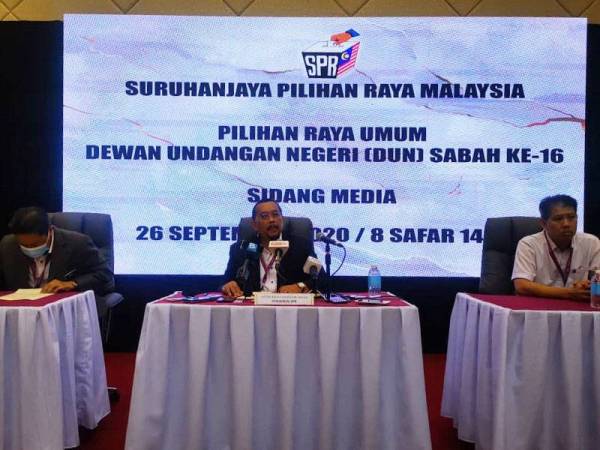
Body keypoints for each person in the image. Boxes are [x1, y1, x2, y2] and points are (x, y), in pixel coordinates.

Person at [0, 206, 114, 312]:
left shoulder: (78, 243)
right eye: (24, 245)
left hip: (65, 310)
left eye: (34, 245)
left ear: (49, 231)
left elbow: (104, 274)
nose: (29, 249)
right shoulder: (8, 245)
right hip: (22, 312)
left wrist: (73, 283)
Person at [512, 195, 600, 301]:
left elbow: (598, 279)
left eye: (571, 217)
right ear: (543, 223)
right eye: (558, 219)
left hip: (576, 306)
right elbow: (522, 286)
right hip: (540, 305)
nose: (566, 224)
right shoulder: (529, 244)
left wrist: (587, 285)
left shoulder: (591, 242)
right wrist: (569, 293)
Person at [222, 200, 318, 297]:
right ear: (254, 225)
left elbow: (322, 279)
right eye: (264, 216)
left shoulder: (300, 246)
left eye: (275, 214)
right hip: (253, 304)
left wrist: (300, 286)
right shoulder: (243, 248)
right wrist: (228, 285)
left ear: (282, 219)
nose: (271, 220)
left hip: (288, 303)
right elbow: (225, 282)